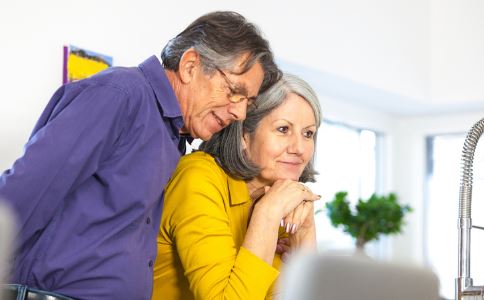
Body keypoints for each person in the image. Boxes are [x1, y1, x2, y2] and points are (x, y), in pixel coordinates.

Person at [0, 11, 281, 300]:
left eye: (248, 102)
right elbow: (18, 199)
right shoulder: (120, 96)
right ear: (190, 66)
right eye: (235, 92)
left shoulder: (172, 136)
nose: (240, 112)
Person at [153, 73, 322, 299]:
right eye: (283, 129)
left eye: (308, 133)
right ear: (244, 134)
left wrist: (306, 238)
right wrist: (267, 215)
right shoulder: (198, 177)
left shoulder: (279, 202)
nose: (299, 148)